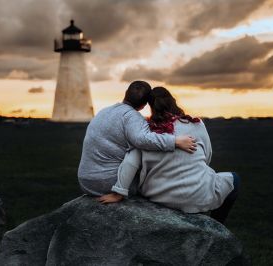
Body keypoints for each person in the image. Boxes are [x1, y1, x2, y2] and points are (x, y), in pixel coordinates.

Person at [98, 87, 240, 224]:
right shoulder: (196, 124)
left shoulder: (146, 133)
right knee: (234, 180)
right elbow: (207, 155)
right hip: (197, 193)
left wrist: (119, 192)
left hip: (160, 195)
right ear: (173, 101)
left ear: (151, 107)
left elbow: (130, 162)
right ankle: (216, 225)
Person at [78, 81, 197, 197]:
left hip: (85, 182)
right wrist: (175, 141)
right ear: (144, 105)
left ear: (126, 93)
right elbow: (142, 140)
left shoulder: (103, 112)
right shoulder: (132, 117)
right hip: (107, 183)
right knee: (142, 150)